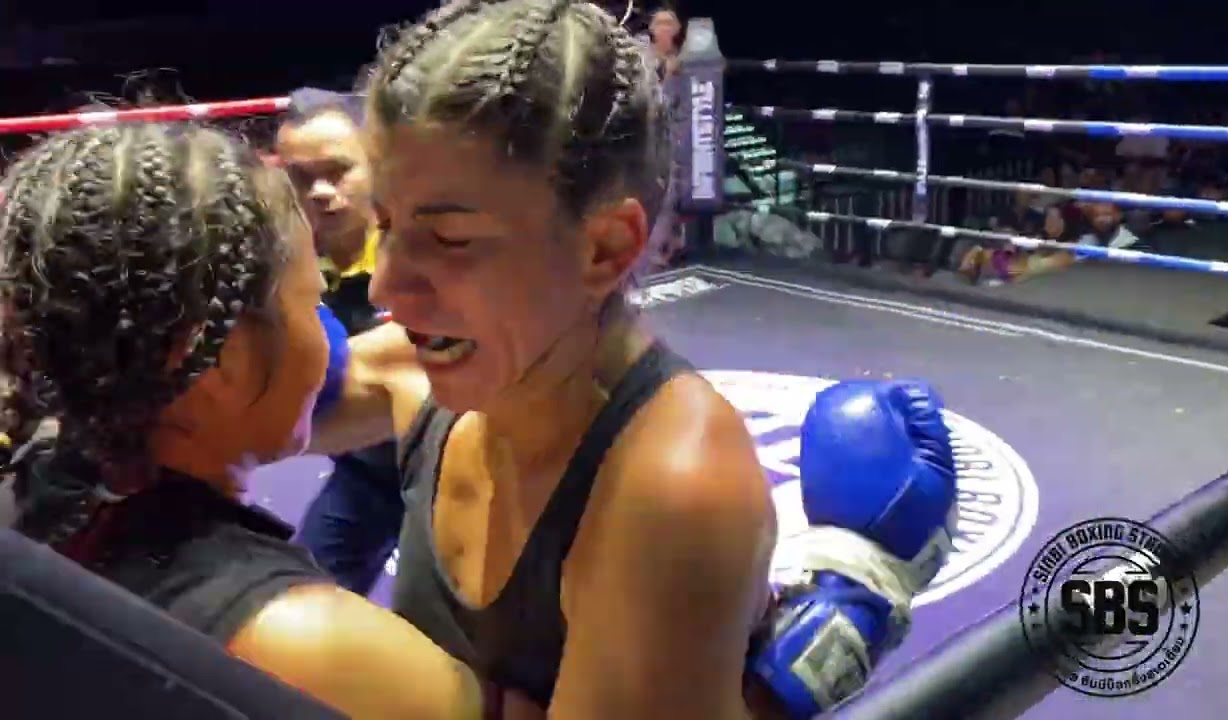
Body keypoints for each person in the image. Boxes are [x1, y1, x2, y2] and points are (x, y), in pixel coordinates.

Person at [312, 1, 959, 718]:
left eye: (451, 239)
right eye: (386, 226)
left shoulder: (670, 483)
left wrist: (339, 662)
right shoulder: (411, 370)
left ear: (604, 248)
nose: (386, 287)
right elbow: (236, 394)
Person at [0, 122, 480, 719]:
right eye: (313, 303)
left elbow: (377, 373)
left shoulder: (37, 487)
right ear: (217, 360)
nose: (328, 336)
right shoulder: (314, 647)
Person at [275, 87, 404, 595]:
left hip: (444, 465)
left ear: (377, 163)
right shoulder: (285, 266)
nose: (320, 192)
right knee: (302, 596)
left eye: (337, 171)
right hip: (363, 471)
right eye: (301, 178)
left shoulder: (425, 250)